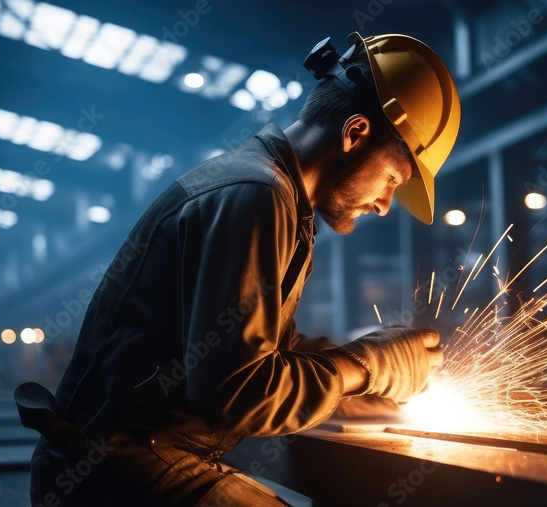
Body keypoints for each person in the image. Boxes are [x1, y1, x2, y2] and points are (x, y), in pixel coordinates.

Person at [26, 32, 461, 506]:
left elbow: (272, 354)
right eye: (393, 178)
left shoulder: (277, 197)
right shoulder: (256, 194)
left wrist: (381, 380)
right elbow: (238, 392)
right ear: (355, 134)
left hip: (140, 453)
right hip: (116, 466)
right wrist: (366, 365)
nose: (384, 204)